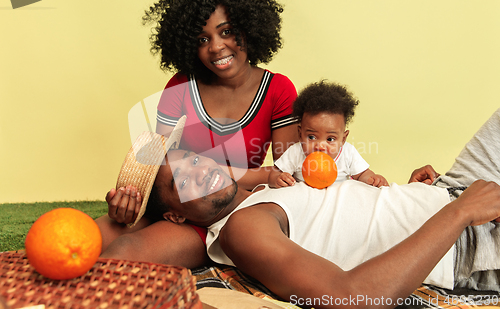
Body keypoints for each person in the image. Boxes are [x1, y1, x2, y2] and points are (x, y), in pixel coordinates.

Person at [106, 108, 500, 308]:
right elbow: (351, 297)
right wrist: (460, 212)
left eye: (193, 159)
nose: (201, 170)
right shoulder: (243, 229)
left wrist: (411, 192)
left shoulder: (271, 183)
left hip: (451, 189)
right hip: (469, 239)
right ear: (175, 215)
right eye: (182, 180)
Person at [97, 0, 298, 265]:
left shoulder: (278, 90)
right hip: (179, 201)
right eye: (203, 39)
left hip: (228, 211)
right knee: (87, 235)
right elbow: (159, 161)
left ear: (250, 28)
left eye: (226, 31)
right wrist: (131, 200)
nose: (216, 47)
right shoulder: (180, 86)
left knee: (128, 253)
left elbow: (284, 175)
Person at [269, 80, 388, 188]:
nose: (320, 146)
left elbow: (362, 174)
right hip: (306, 199)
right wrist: (278, 178)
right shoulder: (296, 152)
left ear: (343, 139)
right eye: (311, 137)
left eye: (330, 139)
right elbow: (276, 173)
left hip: (338, 200)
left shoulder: (347, 152)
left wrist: (372, 179)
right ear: (300, 134)